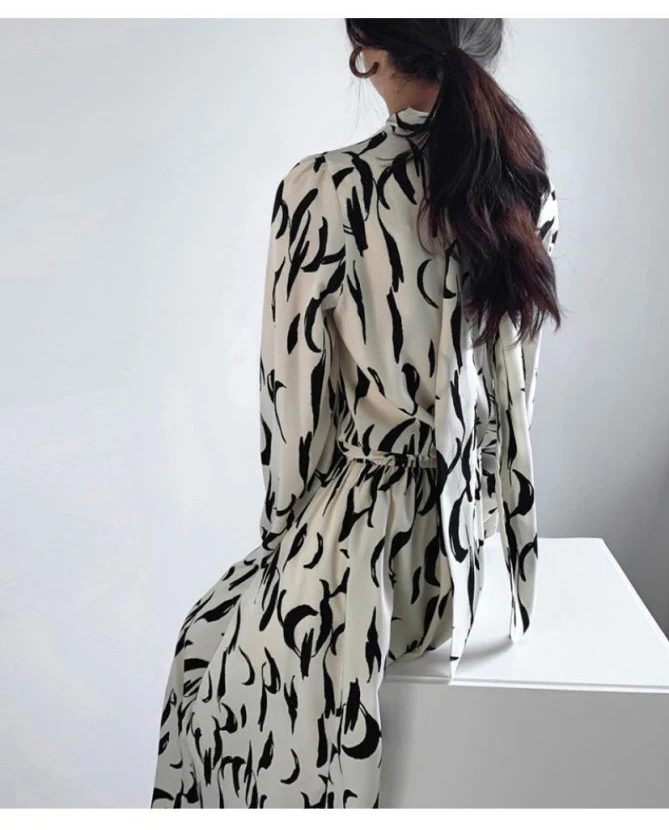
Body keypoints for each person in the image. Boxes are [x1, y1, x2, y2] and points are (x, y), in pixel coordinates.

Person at [150, 18, 562, 810]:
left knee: (203, 653)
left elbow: (292, 404)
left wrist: (281, 544)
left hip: (375, 557)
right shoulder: (526, 181)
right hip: (473, 560)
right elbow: (519, 395)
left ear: (369, 54)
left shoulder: (325, 189)